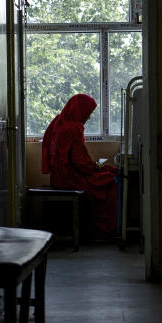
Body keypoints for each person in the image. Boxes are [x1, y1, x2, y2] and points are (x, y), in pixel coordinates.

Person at [41, 93, 119, 238]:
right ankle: (104, 229)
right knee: (111, 177)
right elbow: (81, 162)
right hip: (69, 178)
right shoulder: (74, 127)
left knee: (107, 172)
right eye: (88, 112)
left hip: (57, 177)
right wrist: (97, 166)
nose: (88, 117)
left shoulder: (59, 121)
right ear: (80, 110)